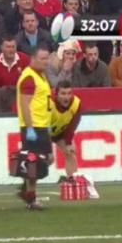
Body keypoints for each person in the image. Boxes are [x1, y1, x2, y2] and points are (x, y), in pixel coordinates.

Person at [15, 45, 52, 210]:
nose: (46, 62)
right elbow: (25, 105)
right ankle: (31, 199)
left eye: (47, 58)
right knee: (33, 164)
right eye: (42, 58)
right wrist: (29, 128)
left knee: (47, 159)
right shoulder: (29, 78)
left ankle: (26, 190)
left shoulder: (40, 75)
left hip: (42, 125)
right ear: (33, 59)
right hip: (34, 126)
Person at [50, 80, 82, 180]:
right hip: (43, 133)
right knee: (45, 159)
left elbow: (72, 126)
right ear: (56, 94)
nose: (66, 97)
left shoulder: (76, 104)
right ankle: (28, 183)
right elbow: (41, 123)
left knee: (71, 152)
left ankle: (73, 181)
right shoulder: (48, 102)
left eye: (69, 93)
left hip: (60, 132)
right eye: (63, 94)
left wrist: (68, 143)